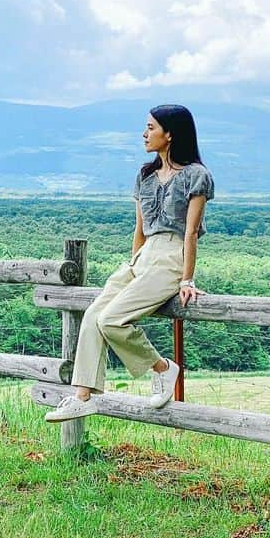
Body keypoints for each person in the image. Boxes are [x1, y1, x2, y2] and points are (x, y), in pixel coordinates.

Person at [45, 104, 214, 422]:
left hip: (171, 257)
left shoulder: (196, 176)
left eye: (151, 127)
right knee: (94, 314)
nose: (144, 133)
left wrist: (186, 280)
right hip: (143, 255)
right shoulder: (145, 175)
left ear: (170, 134)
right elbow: (139, 229)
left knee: (111, 319)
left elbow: (190, 232)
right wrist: (134, 263)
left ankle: (163, 368)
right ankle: (83, 395)